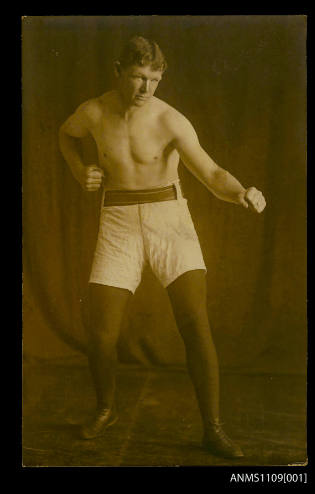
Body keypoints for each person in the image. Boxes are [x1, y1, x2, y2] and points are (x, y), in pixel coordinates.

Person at [59, 35, 266, 459]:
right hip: (117, 220)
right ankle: (105, 409)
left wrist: (241, 191)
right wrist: (82, 169)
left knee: (194, 321)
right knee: (101, 334)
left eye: (154, 79)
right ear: (118, 71)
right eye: (137, 77)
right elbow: (66, 135)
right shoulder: (94, 112)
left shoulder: (171, 120)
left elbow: (211, 171)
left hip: (169, 220)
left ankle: (213, 427)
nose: (145, 88)